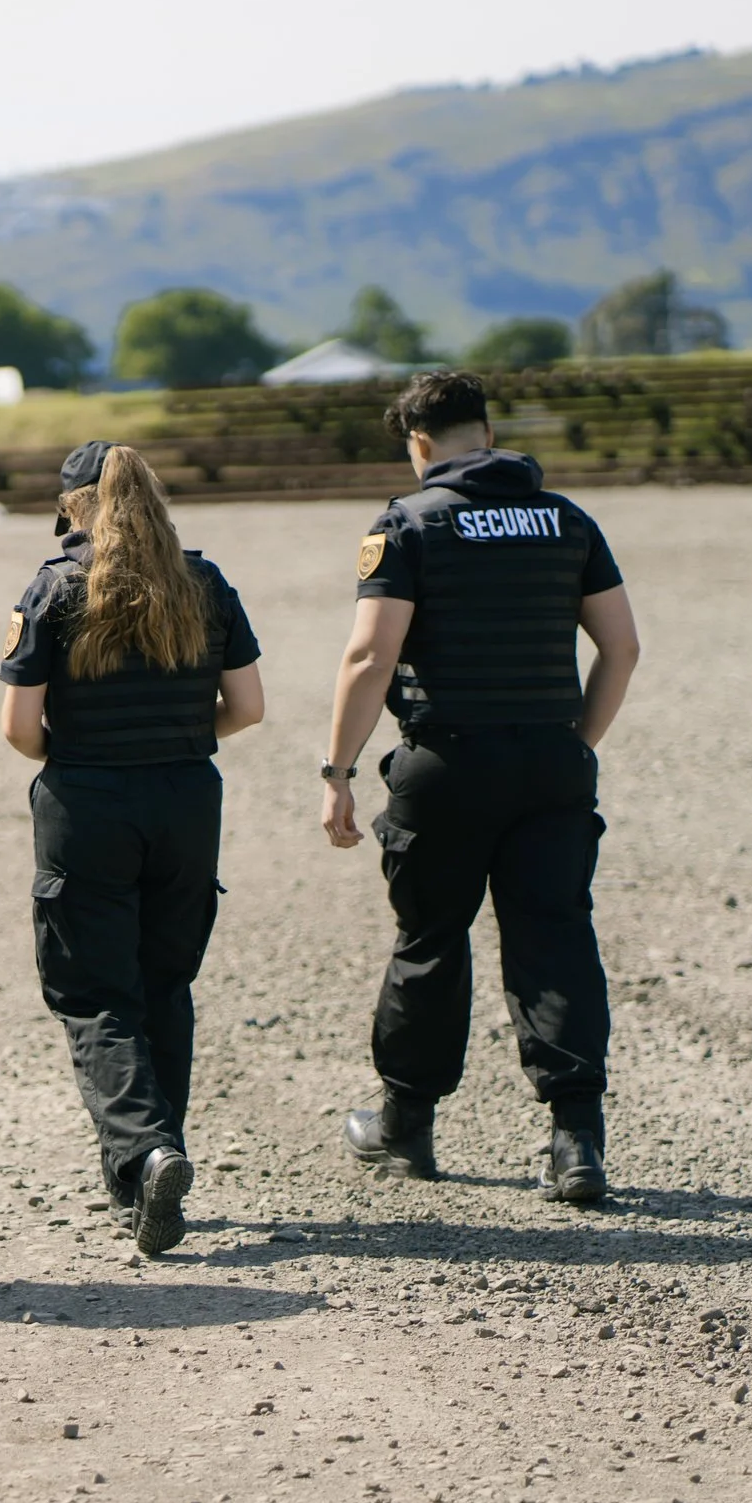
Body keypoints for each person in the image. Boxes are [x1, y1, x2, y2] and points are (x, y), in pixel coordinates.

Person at [320, 370, 639, 1204]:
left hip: (447, 765)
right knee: (556, 937)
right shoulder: (567, 519)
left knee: (431, 938)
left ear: (419, 446)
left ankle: (407, 1127)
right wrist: (576, 745)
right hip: (549, 764)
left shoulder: (408, 524)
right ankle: (576, 1143)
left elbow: (369, 656)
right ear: (488, 435)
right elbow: (623, 647)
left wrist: (339, 770)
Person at [0, 442, 265, 1254]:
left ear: (74, 509)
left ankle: (145, 1154)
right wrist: (179, 739)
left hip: (89, 800)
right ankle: (159, 1158)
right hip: (187, 797)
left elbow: (18, 728)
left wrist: (88, 758)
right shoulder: (204, 581)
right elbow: (247, 707)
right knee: (165, 983)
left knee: (92, 993)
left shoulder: (55, 585)